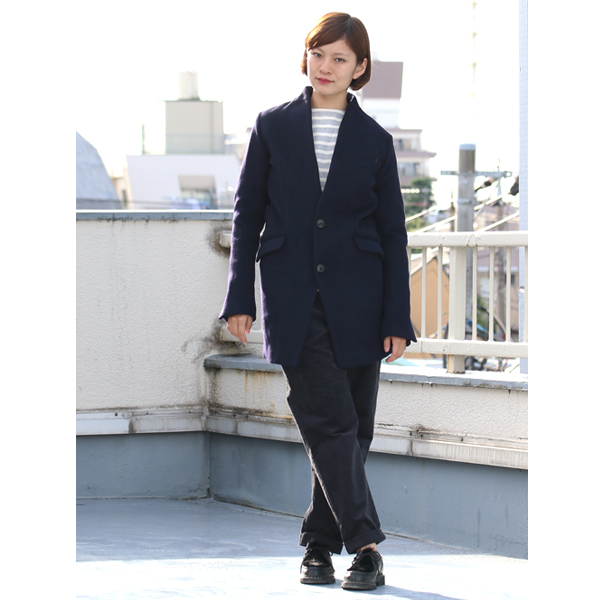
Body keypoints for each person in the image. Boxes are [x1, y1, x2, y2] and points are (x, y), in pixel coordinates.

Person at [219, 12, 416, 591]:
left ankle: (317, 546)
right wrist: (240, 297)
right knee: (329, 420)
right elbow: (247, 215)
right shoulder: (272, 126)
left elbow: (393, 234)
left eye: (339, 58)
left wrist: (397, 317)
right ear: (305, 57)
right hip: (293, 295)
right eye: (317, 53)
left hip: (363, 300)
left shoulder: (375, 141)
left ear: (360, 68)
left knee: (354, 430)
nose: (325, 67)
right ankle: (368, 546)